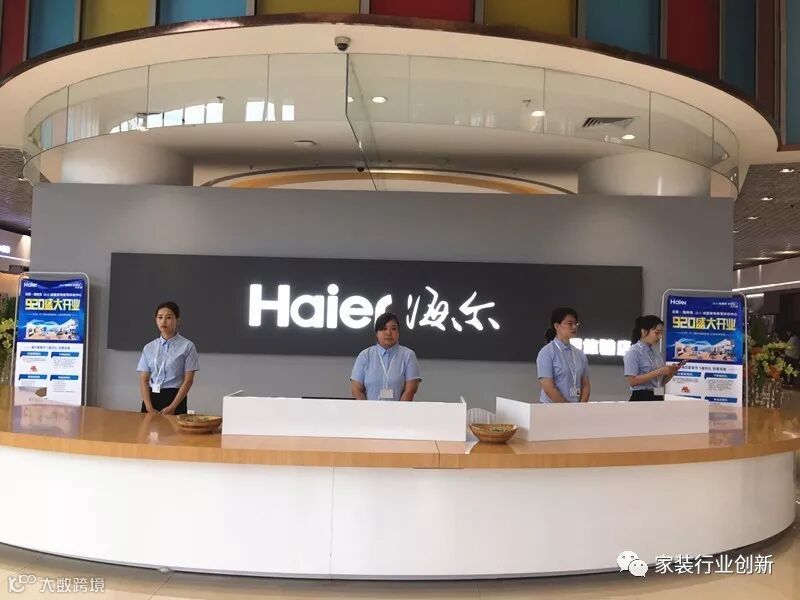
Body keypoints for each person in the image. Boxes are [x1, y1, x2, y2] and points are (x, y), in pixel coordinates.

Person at [137, 301, 199, 415]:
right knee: (147, 427)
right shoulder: (149, 347)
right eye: (160, 317)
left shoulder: (187, 346)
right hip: (151, 398)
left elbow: (188, 380)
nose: (163, 321)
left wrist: (173, 406)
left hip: (174, 397)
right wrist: (149, 407)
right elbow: (143, 380)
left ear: (177, 320)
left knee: (173, 427)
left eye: (168, 317)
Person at [350, 312, 421, 401]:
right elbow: (356, 390)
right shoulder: (365, 356)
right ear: (376, 333)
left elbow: (410, 390)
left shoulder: (408, 355)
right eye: (384, 329)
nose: (388, 333)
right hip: (369, 409)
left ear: (398, 332)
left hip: (399, 409)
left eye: (393, 329)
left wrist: (399, 409)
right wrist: (366, 409)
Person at [536, 307, 590, 403]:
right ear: (557, 326)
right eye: (570, 323)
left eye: (576, 323)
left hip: (576, 409)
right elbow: (548, 387)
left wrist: (580, 407)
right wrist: (567, 408)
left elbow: (585, 386)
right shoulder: (546, 352)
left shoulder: (580, 354)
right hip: (551, 408)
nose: (574, 327)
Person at [623, 315, 681, 401]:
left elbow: (660, 382)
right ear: (644, 332)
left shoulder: (656, 353)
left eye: (661, 333)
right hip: (641, 397)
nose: (660, 337)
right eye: (657, 333)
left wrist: (671, 372)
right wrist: (658, 371)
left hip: (657, 395)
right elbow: (632, 381)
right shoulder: (633, 352)